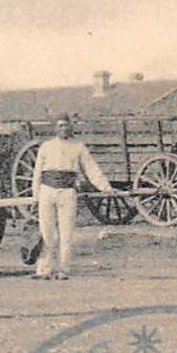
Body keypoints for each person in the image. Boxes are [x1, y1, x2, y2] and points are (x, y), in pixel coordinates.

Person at [30, 115, 115, 280]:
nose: (63, 129)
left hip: (67, 193)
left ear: (71, 127)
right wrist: (35, 197)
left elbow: (92, 169)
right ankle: (44, 270)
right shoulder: (46, 147)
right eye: (60, 126)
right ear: (55, 128)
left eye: (66, 126)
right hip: (47, 191)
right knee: (46, 232)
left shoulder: (79, 147)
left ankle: (64, 270)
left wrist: (106, 187)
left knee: (66, 234)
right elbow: (37, 173)